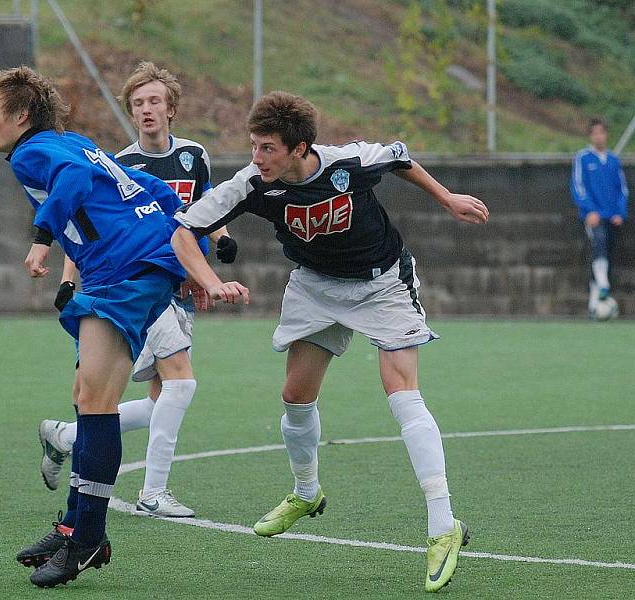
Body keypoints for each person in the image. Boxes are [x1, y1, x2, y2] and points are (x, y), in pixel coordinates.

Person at [170, 91, 489, 593]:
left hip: (382, 282)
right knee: (295, 397)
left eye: (268, 148)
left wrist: (446, 198)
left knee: (400, 389)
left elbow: (401, 157)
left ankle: (442, 524)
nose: (257, 158)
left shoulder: (349, 164)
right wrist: (210, 281)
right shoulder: (253, 184)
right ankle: (306, 492)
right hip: (315, 287)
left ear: (299, 148)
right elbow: (183, 232)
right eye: (254, 146)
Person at [0, 66, 209, 588]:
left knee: (99, 404)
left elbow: (79, 182)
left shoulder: (31, 153)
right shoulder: (72, 141)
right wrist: (184, 246)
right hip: (129, 268)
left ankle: (87, 539)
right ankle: (72, 527)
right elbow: (147, 183)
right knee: (87, 396)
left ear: (21, 117)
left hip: (126, 273)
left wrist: (42, 238)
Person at [37, 61, 237, 518]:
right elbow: (87, 227)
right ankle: (153, 491)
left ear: (171, 109)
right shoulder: (120, 164)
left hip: (179, 282)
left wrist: (221, 240)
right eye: (137, 103)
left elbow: (204, 208)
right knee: (181, 384)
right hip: (139, 281)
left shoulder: (193, 156)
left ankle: (64, 436)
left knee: (158, 399)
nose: (145, 110)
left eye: (154, 101)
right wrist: (69, 280)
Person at [570, 117, 628, 317]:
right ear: (590, 136)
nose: (599, 136)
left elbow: (622, 189)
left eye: (602, 132)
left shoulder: (613, 159)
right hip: (594, 216)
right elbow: (578, 186)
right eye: (595, 133)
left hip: (612, 216)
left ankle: (595, 305)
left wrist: (620, 212)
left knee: (606, 253)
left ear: (606, 135)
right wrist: (589, 210)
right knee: (599, 243)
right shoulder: (583, 157)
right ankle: (603, 283)